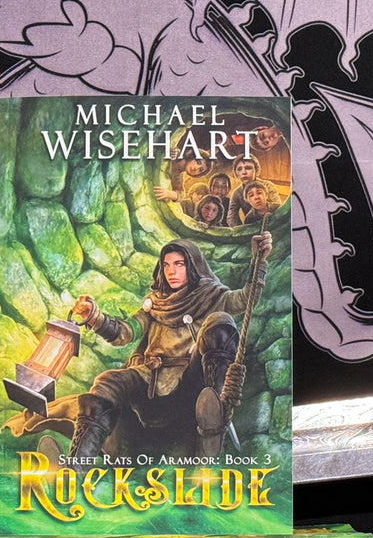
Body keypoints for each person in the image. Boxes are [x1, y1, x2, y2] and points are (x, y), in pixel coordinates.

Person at [65, 234, 272, 459]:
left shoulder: (212, 296)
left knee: (220, 321)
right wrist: (95, 318)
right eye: (166, 265)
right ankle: (76, 463)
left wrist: (258, 261)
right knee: (107, 381)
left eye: (178, 264)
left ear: (192, 266)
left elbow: (246, 300)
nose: (171, 271)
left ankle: (215, 416)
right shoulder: (155, 303)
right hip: (149, 383)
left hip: (190, 384)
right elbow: (125, 333)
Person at [226, 154, 281, 226]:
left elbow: (278, 209)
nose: (244, 172)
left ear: (256, 170)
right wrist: (241, 230)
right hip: (251, 225)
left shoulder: (268, 185)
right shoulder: (237, 193)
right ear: (236, 173)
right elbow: (231, 216)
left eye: (248, 168)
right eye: (239, 169)